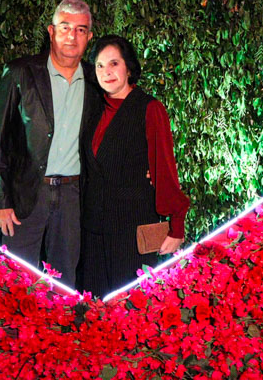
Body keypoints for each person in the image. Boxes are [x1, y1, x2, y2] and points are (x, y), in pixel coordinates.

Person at [0, 0, 102, 283]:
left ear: (89, 37)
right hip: (26, 192)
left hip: (74, 196)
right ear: (51, 31)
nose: (72, 36)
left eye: (81, 30)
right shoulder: (21, 73)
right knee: (16, 279)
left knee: (64, 282)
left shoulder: (97, 80)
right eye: (65, 27)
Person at [80, 35, 190, 296]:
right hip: (93, 231)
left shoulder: (149, 109)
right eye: (99, 65)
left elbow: (164, 168)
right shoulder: (94, 110)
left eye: (114, 63)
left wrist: (176, 225)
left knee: (129, 310)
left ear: (128, 68)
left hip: (131, 230)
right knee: (92, 311)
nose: (106, 72)